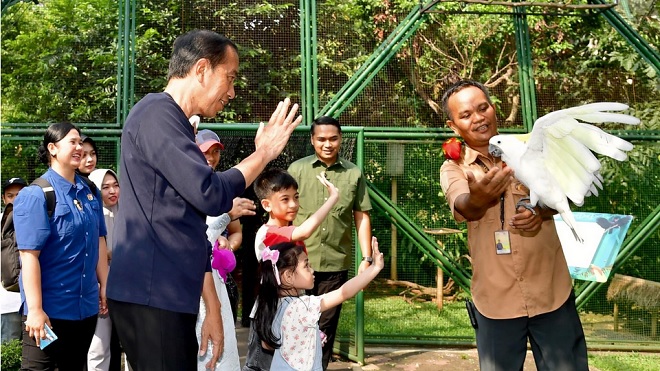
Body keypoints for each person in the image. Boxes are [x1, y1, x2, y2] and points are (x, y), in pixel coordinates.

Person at [106, 29, 301, 371]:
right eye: (229, 78)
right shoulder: (156, 114)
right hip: (152, 295)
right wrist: (264, 154)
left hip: (168, 296)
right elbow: (209, 193)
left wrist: (211, 307)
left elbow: (188, 229)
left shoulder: (176, 122)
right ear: (200, 70)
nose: (232, 91)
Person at [439, 79, 588, 371]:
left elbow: (558, 197)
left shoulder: (531, 149)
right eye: (466, 114)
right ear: (453, 126)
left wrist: (540, 213)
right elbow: (463, 206)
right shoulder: (453, 168)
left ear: (494, 110)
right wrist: (479, 199)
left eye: (483, 108)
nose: (478, 117)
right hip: (495, 300)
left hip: (551, 292)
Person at [13, 122, 109, 370]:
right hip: (48, 313)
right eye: (72, 142)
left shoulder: (89, 191)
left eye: (81, 142)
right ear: (52, 148)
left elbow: (98, 240)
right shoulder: (35, 195)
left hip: (85, 309)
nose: (79, 147)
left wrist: (105, 284)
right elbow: (29, 256)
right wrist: (34, 310)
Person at [287, 115, 373, 369]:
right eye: (321, 139)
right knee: (295, 324)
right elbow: (283, 215)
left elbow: (362, 217)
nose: (327, 144)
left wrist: (366, 259)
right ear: (312, 140)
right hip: (297, 264)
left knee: (325, 328)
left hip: (335, 265)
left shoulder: (353, 174)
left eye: (333, 138)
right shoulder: (296, 170)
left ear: (340, 139)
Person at [243, 168, 339, 371]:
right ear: (266, 205)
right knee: (262, 366)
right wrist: (333, 198)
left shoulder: (286, 231)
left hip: (289, 312)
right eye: (285, 199)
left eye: (296, 197)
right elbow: (305, 231)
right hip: (271, 313)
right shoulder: (270, 233)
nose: (294, 204)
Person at [251, 238, 383, 370]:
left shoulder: (271, 305)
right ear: (288, 276)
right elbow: (344, 293)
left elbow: (266, 344)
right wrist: (375, 267)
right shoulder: (302, 306)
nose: (312, 270)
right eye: (306, 266)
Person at [194, 128, 255, 371]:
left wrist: (229, 243)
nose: (211, 156)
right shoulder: (185, 184)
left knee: (222, 331)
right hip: (191, 281)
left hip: (217, 280)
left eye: (216, 151)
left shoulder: (224, 187)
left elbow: (236, 232)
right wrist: (224, 218)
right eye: (206, 151)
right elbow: (196, 238)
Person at [87, 169, 122, 371]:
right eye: (105, 187)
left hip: (129, 287)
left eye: (115, 185)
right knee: (99, 346)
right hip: (101, 288)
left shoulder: (129, 213)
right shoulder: (91, 215)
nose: (112, 191)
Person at [1, 177, 27, 343]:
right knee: (8, 354)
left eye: (20, 194)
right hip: (6, 304)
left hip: (34, 304)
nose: (15, 200)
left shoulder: (40, 219)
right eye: (11, 196)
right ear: (4, 199)